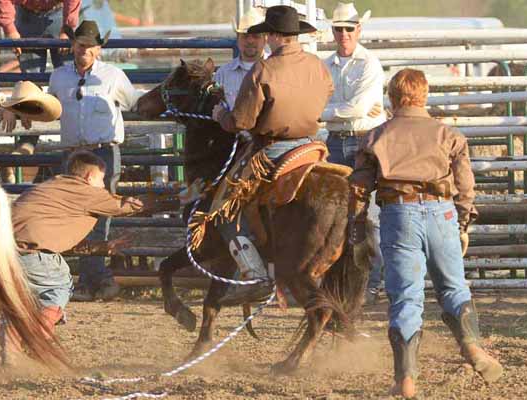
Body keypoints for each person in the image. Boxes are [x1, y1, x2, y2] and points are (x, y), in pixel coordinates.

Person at [348, 68, 502, 398]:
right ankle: (473, 348)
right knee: (454, 286)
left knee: (406, 295)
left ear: (391, 98)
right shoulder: (448, 134)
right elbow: (465, 185)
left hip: (398, 213)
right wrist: (462, 224)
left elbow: (359, 190)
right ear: (425, 95)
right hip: (441, 211)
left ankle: (405, 380)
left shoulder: (376, 137)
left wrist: (358, 231)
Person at [211, 5, 333, 304]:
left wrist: (220, 116)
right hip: (310, 145)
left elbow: (242, 122)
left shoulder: (263, 70)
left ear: (274, 36)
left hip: (273, 148)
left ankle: (254, 274)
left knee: (224, 207)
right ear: (295, 35)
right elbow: (328, 92)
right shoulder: (317, 65)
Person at [0, 150, 169, 363]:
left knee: (18, 302)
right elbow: (125, 205)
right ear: (89, 177)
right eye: (101, 179)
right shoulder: (85, 191)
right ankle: (37, 343)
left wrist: (102, 247)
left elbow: (55, 238)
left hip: (3, 254)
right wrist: (176, 200)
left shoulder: (51, 189)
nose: (103, 186)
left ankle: (10, 352)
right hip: (32, 254)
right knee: (57, 288)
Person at [47, 20, 142, 302]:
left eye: (89, 46)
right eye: (80, 45)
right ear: (72, 46)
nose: (84, 50)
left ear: (98, 49)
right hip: (76, 152)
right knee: (74, 215)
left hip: (100, 151)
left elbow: (133, 102)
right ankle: (94, 278)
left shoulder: (113, 76)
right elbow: (49, 107)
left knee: (98, 214)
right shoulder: (60, 77)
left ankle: (91, 278)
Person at [320, 2, 386, 302]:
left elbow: (358, 108)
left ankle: (369, 282)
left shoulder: (369, 64)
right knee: (338, 214)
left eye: (348, 28)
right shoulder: (329, 64)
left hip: (362, 141)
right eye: (339, 29)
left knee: (366, 215)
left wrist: (323, 113)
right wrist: (340, 112)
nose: (343, 33)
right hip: (341, 139)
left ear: (358, 30)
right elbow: (358, 107)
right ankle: (346, 282)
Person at [0, 0, 80, 182]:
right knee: (33, 87)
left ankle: (74, 143)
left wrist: (67, 26)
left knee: (68, 82)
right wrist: (10, 29)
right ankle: (28, 144)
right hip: (28, 14)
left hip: (57, 13)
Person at [213, 8, 267, 109]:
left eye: (256, 36)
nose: (250, 41)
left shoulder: (276, 69)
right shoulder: (222, 74)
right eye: (245, 36)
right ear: (238, 38)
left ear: (265, 39)